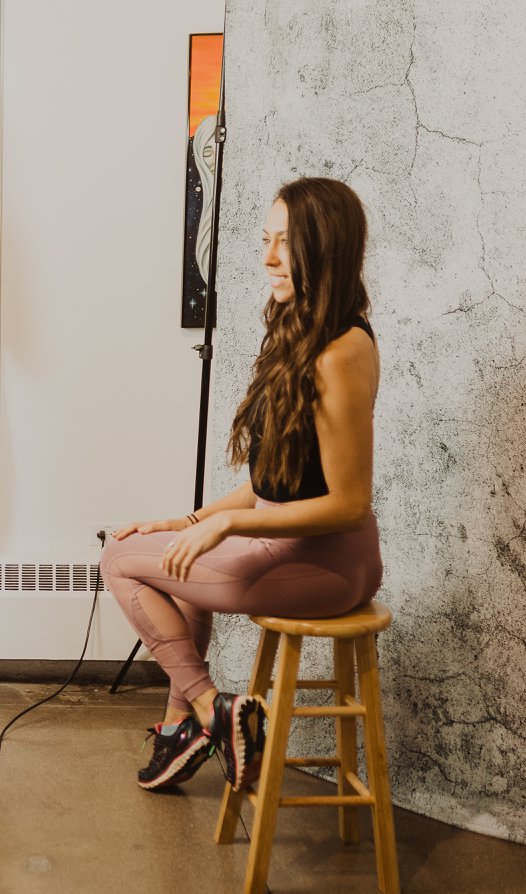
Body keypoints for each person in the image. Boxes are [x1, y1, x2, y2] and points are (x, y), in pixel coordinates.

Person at [100, 176, 383, 792]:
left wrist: (228, 525)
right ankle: (181, 729)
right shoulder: (300, 333)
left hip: (330, 564)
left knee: (118, 559)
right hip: (310, 555)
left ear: (324, 248)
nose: (268, 257)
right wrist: (188, 523)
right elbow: (272, 487)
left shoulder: (340, 351)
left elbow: (348, 502)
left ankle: (208, 711)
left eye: (286, 243)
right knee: (179, 561)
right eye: (266, 240)